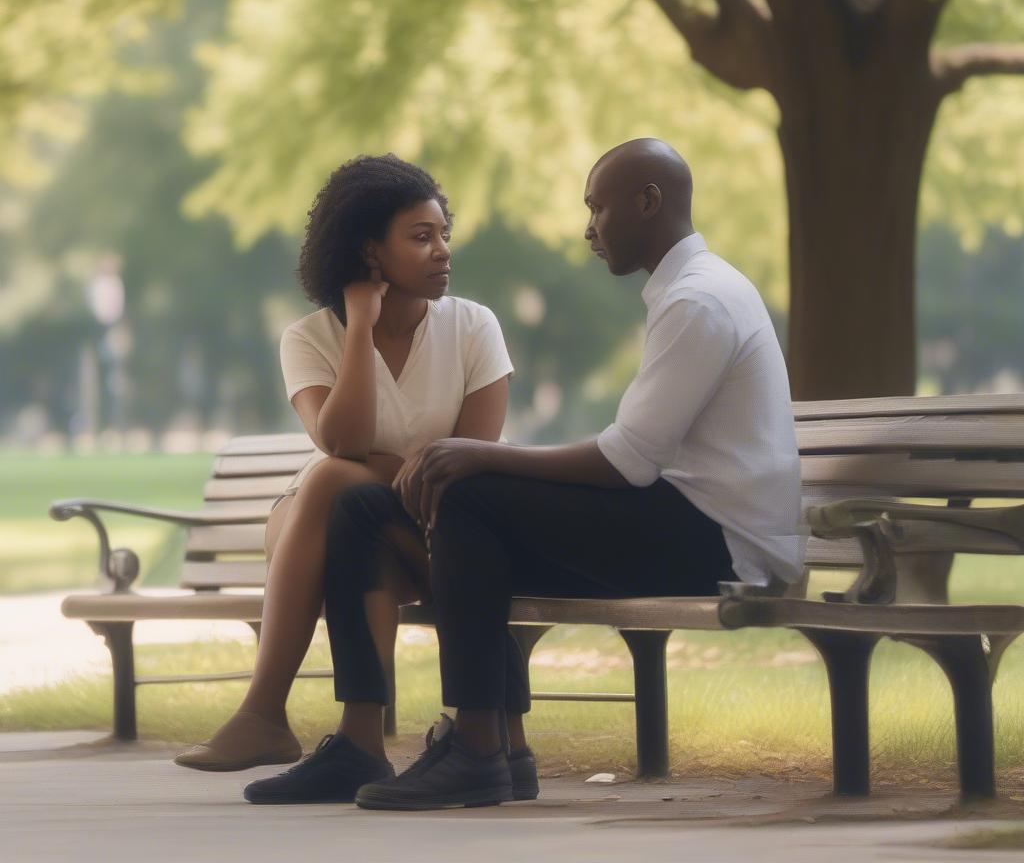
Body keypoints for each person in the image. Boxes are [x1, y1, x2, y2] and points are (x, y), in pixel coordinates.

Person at [271, 136, 805, 810]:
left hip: (723, 545)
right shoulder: (688, 293)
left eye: (598, 209)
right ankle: (391, 745)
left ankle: (478, 747)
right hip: (688, 525)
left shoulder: (699, 300)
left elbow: (625, 460)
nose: (588, 231)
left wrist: (479, 454)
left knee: (468, 495)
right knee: (363, 512)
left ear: (647, 202)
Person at [174, 154, 534, 796]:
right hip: (351, 527)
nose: (442, 250)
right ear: (370, 251)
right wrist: (361, 328)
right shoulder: (310, 338)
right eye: (421, 237)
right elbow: (340, 439)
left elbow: (468, 470)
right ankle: (354, 745)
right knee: (333, 501)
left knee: (328, 485)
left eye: (443, 232)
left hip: (451, 531)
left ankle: (272, 715)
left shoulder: (473, 326)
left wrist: (380, 469)